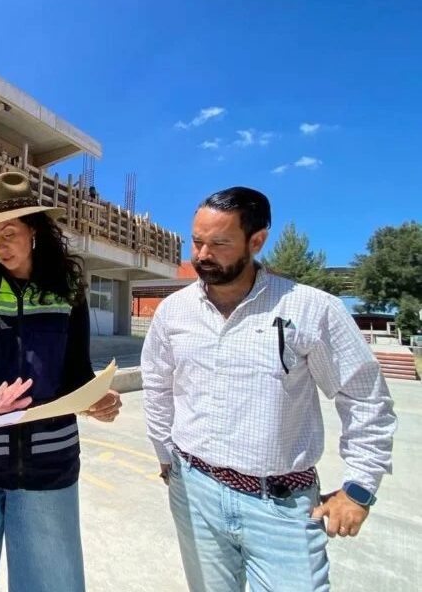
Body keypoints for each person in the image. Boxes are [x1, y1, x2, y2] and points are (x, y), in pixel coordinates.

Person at [141, 186, 396, 591]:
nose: (203, 255)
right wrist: (166, 457)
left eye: (219, 244)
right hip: (194, 496)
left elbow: (364, 398)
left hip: (283, 508)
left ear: (256, 241)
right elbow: (156, 385)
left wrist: (359, 488)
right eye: (197, 241)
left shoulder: (311, 309)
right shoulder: (175, 311)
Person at [0, 171, 123, 592]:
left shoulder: (68, 290)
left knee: (49, 582)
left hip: (49, 464)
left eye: (10, 233)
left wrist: (95, 398)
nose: (0, 246)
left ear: (34, 230)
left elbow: (77, 371)